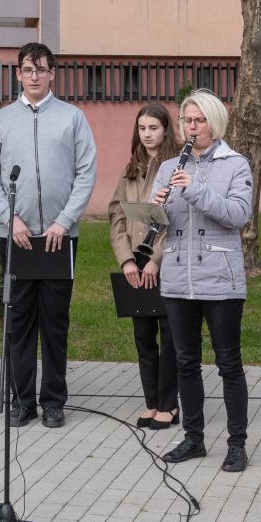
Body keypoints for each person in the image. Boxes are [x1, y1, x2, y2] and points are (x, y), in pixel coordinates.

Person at [0, 42, 97, 428]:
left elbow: (86, 172)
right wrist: (9, 219)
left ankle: (54, 400)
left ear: (52, 74)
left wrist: (65, 220)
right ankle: (23, 400)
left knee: (55, 321)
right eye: (28, 69)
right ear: (18, 73)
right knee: (19, 321)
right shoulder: (0, 121)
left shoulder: (73, 118)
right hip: (17, 236)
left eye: (41, 70)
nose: (34, 76)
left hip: (60, 236)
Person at [151, 89, 254, 473]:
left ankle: (237, 443)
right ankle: (193, 438)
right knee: (185, 362)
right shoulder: (166, 168)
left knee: (229, 363)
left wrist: (193, 189)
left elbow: (237, 215)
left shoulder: (235, 164)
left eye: (199, 121)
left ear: (215, 123)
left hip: (220, 278)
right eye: (186, 121)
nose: (191, 127)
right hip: (178, 276)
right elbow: (156, 222)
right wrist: (155, 209)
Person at [108, 104, 180, 430]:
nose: (147, 134)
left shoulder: (178, 166)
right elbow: (117, 216)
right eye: (142, 128)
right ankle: (151, 402)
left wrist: (156, 260)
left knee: (170, 335)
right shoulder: (131, 169)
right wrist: (126, 259)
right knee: (143, 336)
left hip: (167, 263)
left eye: (153, 127)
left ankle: (169, 404)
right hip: (136, 264)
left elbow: (178, 220)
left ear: (166, 129)